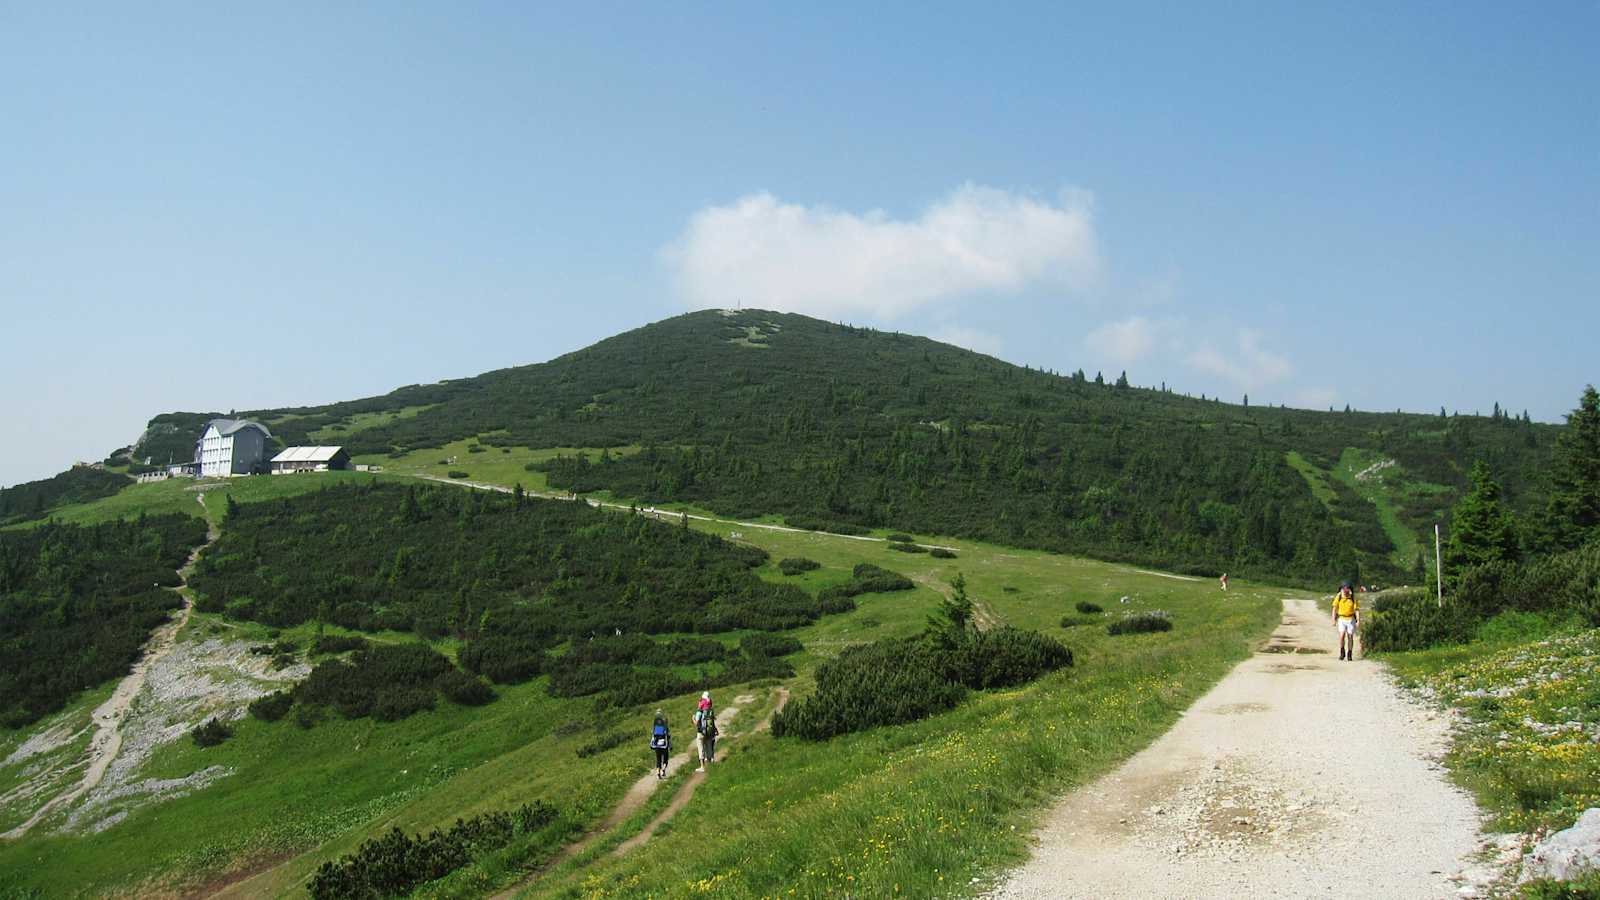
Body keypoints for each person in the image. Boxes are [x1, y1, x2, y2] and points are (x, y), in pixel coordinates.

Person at [1332, 582, 1360, 661]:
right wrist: (1333, 619)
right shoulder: (1339, 596)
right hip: (1341, 618)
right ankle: (1342, 652)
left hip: (1351, 619)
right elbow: (1334, 608)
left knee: (1350, 636)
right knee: (1342, 636)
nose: (1345, 591)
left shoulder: (1353, 597)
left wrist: (1358, 620)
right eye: (1344, 589)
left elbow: (1356, 610)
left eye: (1347, 589)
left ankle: (1350, 653)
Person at [693, 695, 718, 772]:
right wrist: (715, 729)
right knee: (709, 747)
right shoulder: (710, 711)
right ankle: (711, 766)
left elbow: (696, 723)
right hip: (709, 732)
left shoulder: (699, 712)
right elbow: (712, 722)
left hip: (701, 733)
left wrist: (693, 718)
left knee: (701, 748)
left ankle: (702, 767)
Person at [650, 709, 671, 779]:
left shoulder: (655, 726)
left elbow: (652, 734)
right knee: (665, 759)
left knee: (658, 759)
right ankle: (663, 770)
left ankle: (658, 772)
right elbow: (668, 737)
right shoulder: (665, 727)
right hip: (664, 745)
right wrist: (670, 746)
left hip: (656, 745)